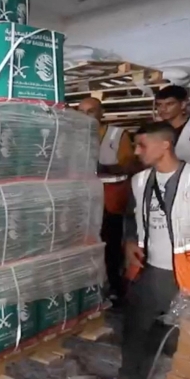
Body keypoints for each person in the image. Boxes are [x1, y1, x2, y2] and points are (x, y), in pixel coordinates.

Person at [89, 121, 190, 379]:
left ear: (164, 145)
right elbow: (131, 217)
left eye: (142, 145)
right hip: (152, 269)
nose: (137, 151)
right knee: (136, 325)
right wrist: (130, 243)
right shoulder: (140, 181)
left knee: (189, 333)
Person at [79, 97, 140, 304]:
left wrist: (103, 167)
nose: (86, 117)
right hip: (86, 199)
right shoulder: (74, 135)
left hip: (111, 199)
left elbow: (129, 166)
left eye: (91, 111)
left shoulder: (117, 134)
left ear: (101, 112)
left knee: (111, 246)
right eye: (82, 112)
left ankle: (115, 287)